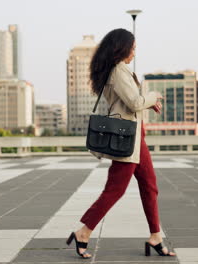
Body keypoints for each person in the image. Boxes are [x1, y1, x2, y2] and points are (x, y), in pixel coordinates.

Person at [65, 28, 176, 258]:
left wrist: (148, 103)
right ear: (122, 48)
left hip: (137, 137)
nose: (135, 52)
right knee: (115, 189)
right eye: (133, 48)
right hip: (126, 139)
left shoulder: (120, 70)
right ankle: (83, 232)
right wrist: (153, 97)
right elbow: (134, 102)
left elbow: (132, 103)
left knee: (150, 186)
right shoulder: (118, 71)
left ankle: (155, 235)